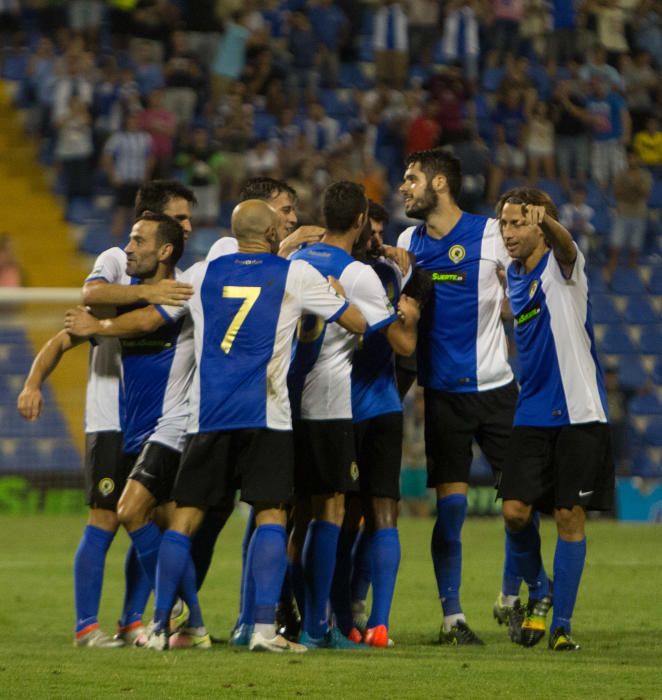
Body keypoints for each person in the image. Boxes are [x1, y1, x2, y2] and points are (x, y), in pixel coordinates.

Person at [65, 199, 367, 653]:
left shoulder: (202, 274)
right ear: (271, 235)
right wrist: (334, 297)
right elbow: (357, 322)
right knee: (270, 513)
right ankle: (264, 630)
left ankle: (162, 626)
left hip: (208, 417)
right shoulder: (294, 274)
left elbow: (151, 318)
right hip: (267, 414)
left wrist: (100, 324)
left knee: (183, 519)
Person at [16, 181, 196, 647]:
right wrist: (33, 382)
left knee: (146, 514)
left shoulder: (174, 280)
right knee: (106, 518)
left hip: (151, 420)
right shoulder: (118, 262)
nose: (189, 226)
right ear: (156, 221)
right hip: (108, 416)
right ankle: (86, 625)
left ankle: (136, 619)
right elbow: (87, 302)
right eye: (180, 217)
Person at [396, 148, 550, 645]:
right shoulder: (406, 243)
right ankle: (453, 618)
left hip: (498, 392)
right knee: (453, 510)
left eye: (411, 178)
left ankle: (529, 591)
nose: (404, 187)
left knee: (519, 508)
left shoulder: (489, 234)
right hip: (442, 397)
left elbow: (530, 270)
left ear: (439, 184)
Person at [288, 181, 415, 649]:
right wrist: (409, 312)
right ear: (361, 220)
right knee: (339, 512)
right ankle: (325, 625)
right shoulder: (359, 274)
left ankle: (291, 619)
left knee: (294, 516)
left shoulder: (294, 262)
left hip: (290, 401)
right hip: (338, 404)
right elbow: (398, 341)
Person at [496, 186, 614, 651]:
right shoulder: (514, 272)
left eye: (519, 223)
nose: (509, 232)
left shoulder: (565, 267)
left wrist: (548, 223)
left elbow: (565, 245)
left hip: (580, 413)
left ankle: (561, 625)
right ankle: (539, 591)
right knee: (513, 513)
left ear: (540, 226)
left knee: (569, 516)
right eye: (505, 223)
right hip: (532, 411)